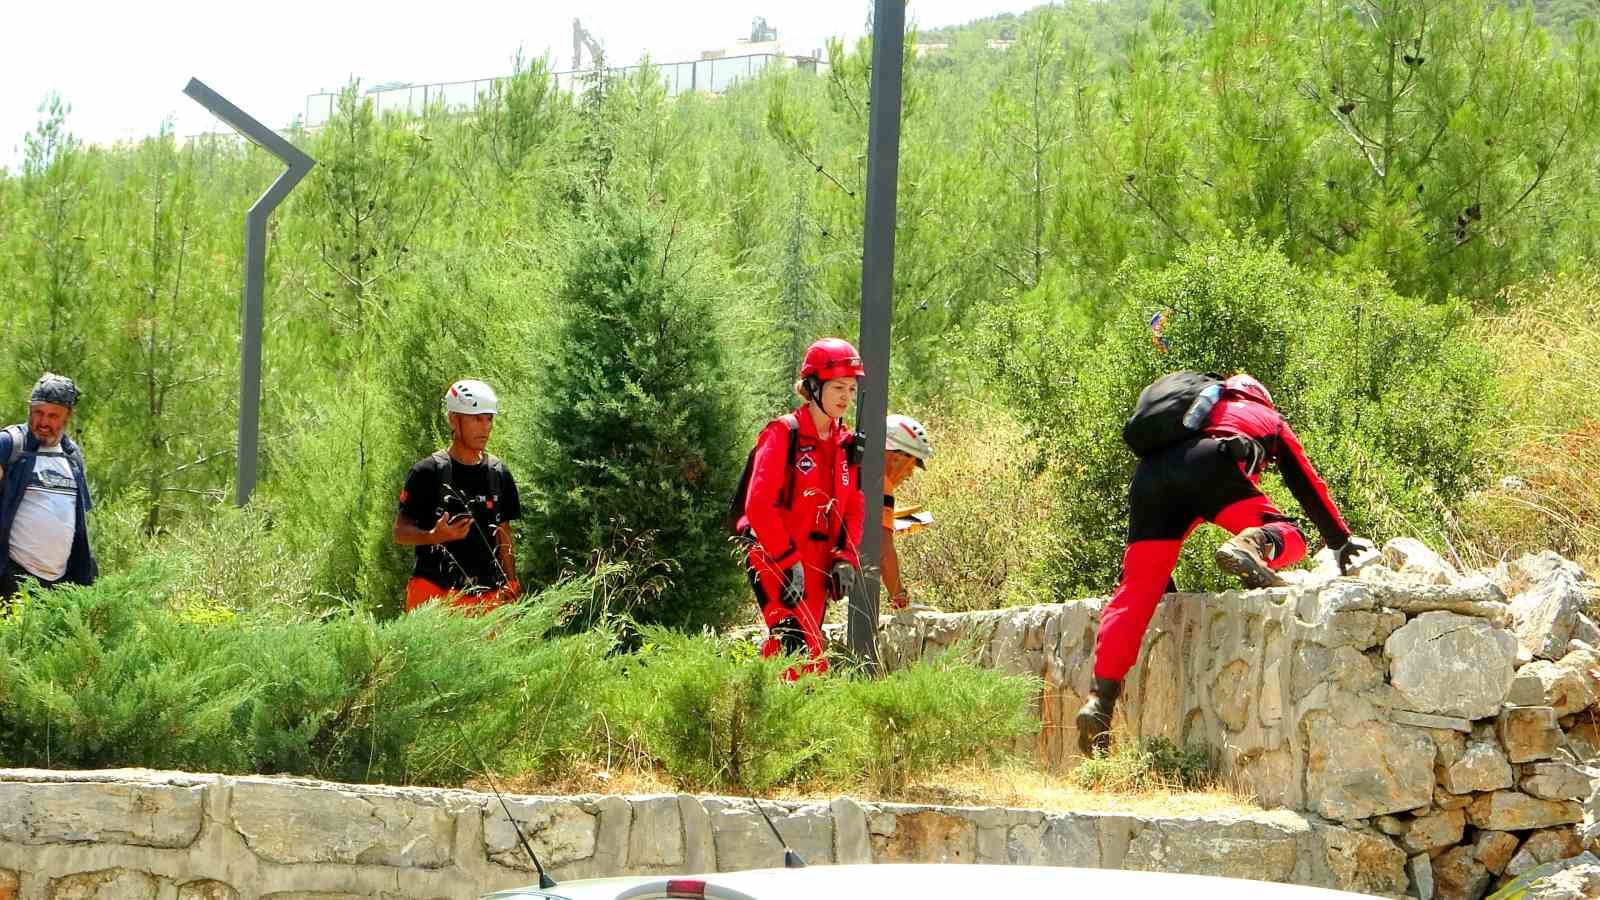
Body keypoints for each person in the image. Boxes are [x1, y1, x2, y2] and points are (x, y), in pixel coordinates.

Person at [1075, 372, 1373, 755]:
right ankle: (1252, 546)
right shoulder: (1265, 417)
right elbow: (1306, 482)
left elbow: (1168, 529)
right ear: (1260, 396)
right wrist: (1340, 539)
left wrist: (1160, 582)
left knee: (1136, 589)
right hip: (1211, 461)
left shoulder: (1185, 422)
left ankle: (1100, 701)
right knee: (1289, 533)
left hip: (1148, 477)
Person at [737, 337, 866, 678]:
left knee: (803, 651)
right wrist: (787, 559)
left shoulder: (846, 444)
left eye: (851, 389)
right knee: (797, 648)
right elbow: (758, 504)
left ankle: (766, 719)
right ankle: (773, 720)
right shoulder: (782, 434)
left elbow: (854, 504)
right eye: (838, 387)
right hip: (774, 556)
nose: (845, 397)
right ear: (813, 386)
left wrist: (845, 557)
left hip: (819, 562)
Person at [394, 379, 522, 614]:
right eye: (476, 418)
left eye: (489, 419)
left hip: (488, 599)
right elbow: (400, 532)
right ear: (454, 419)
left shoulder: (499, 473)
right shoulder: (426, 472)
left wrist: (511, 585)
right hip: (434, 597)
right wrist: (435, 535)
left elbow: (504, 532)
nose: (485, 427)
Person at [0, 373, 98, 601]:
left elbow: (80, 520)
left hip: (61, 585)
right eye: (38, 412)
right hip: (14, 579)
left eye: (53, 415)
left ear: (68, 416)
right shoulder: (11, 444)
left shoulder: (72, 456)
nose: (44, 422)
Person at [881, 413, 933, 610]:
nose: (911, 473)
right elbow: (883, 552)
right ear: (896, 456)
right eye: (913, 463)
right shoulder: (879, 483)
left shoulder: (852, 469)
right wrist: (900, 599)